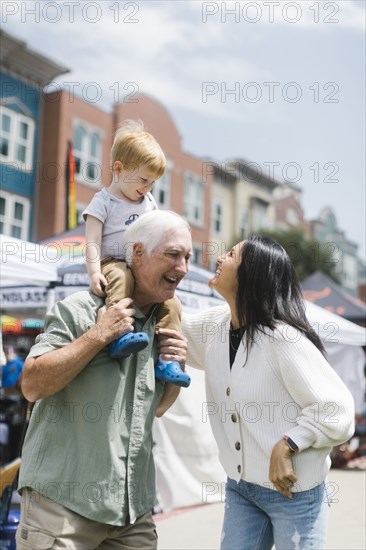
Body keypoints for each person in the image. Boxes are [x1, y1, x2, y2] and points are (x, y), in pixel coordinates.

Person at [16, 210, 192, 550]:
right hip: (61, 510)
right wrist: (98, 335)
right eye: (173, 254)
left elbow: (158, 409)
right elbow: (32, 385)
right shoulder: (80, 309)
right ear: (137, 253)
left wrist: (176, 363)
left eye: (186, 257)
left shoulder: (163, 326)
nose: (182, 268)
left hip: (131, 513)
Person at [182, 235, 355, 550]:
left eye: (232, 254)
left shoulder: (283, 340)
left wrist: (288, 444)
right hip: (242, 489)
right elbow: (170, 325)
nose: (220, 258)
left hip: (296, 492)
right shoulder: (214, 327)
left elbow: (338, 411)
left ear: (251, 274)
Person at [82, 119, 190, 387]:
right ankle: (119, 333)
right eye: (143, 179)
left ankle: (168, 360)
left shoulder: (149, 203)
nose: (148, 187)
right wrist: (94, 272)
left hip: (141, 266)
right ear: (118, 169)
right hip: (113, 262)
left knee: (172, 303)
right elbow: (92, 241)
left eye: (153, 182)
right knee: (120, 277)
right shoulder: (103, 201)